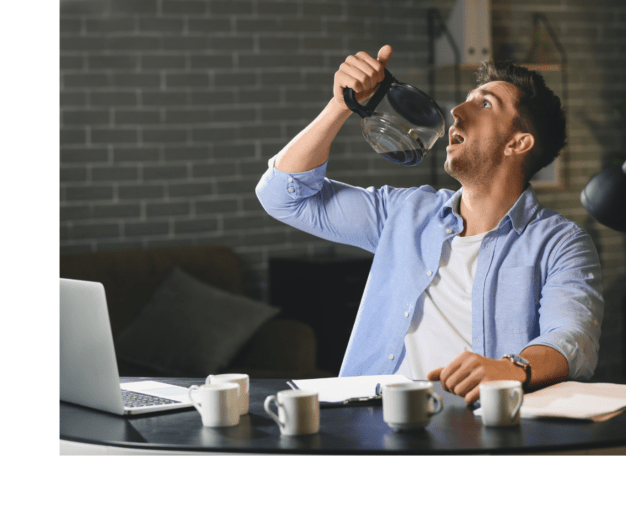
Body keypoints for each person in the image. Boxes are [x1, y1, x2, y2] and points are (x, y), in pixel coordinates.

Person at [256, 45, 603, 404]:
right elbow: (282, 196)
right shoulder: (406, 212)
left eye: (484, 104)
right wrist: (339, 107)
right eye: (467, 99)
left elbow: (573, 339)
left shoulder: (560, 242)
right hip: (369, 425)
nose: (456, 111)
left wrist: (511, 369)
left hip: (473, 430)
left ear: (518, 143)